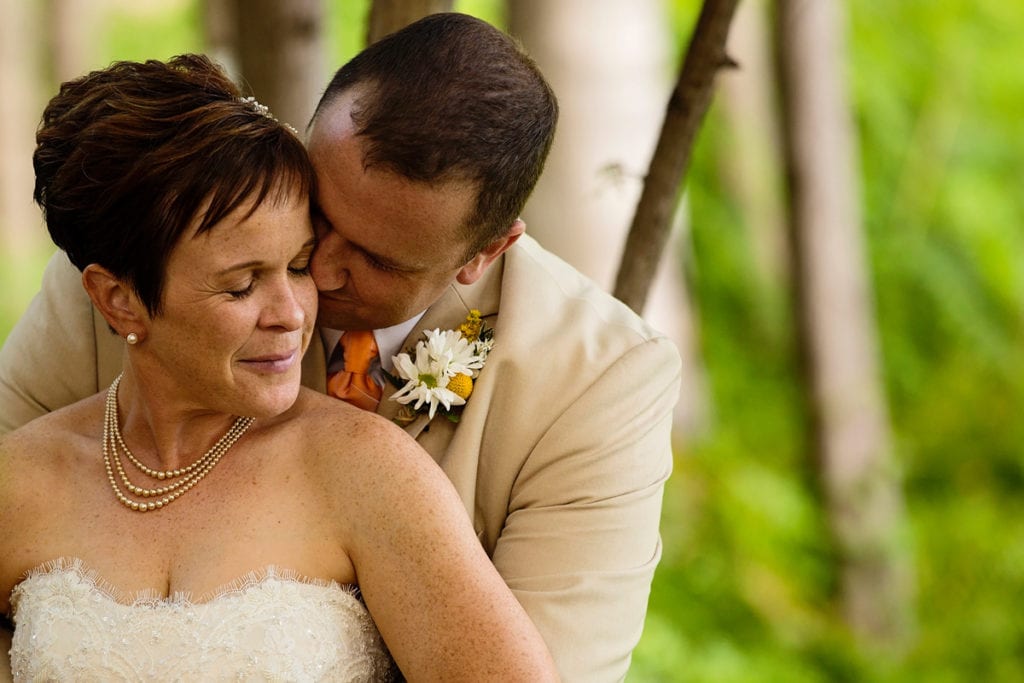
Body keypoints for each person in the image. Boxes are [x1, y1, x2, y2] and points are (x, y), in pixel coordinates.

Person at [0, 13, 681, 681]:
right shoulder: (141, 256)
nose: (315, 280)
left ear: (485, 251)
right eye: (316, 219)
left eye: (376, 259)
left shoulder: (597, 378)